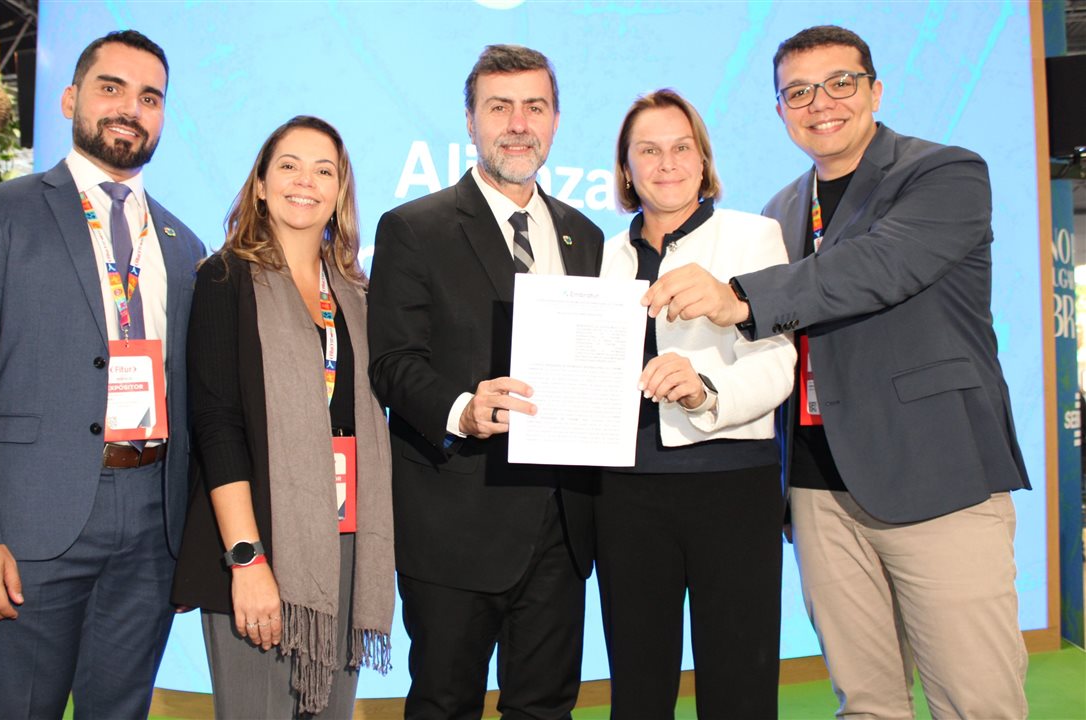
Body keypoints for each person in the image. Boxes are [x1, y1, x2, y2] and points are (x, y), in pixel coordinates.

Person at [643, 24, 1030, 720]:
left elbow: (878, 266)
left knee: (976, 701)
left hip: (934, 476)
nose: (821, 102)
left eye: (840, 82)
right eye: (798, 91)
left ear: (875, 90)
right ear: (781, 111)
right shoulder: (781, 212)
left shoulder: (945, 173)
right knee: (868, 702)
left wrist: (741, 297)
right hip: (819, 490)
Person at [0, 30, 205, 718]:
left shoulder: (183, 243)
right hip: (30, 527)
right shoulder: (2, 213)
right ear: (70, 97)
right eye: (111, 88)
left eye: (149, 97)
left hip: (152, 524)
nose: (129, 109)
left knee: (119, 710)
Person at [368, 44, 604, 719]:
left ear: (556, 120)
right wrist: (464, 409)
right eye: (499, 107)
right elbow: (393, 362)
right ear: (470, 121)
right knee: (445, 705)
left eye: (535, 106)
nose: (518, 123)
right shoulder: (415, 228)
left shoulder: (584, 236)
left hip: (561, 527)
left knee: (546, 708)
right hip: (454, 526)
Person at [170, 116, 394, 718]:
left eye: (325, 170)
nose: (306, 181)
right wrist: (247, 560)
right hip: (257, 544)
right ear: (262, 184)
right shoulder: (224, 278)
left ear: (340, 191)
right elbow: (216, 427)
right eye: (289, 165)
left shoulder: (357, 293)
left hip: (343, 546)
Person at [597, 89, 794, 719]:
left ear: (704, 160)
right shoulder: (603, 256)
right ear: (626, 169)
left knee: (740, 684)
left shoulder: (755, 236)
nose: (667, 163)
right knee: (638, 685)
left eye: (682, 148)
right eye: (648, 150)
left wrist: (704, 387)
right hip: (626, 497)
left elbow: (778, 363)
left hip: (733, 488)